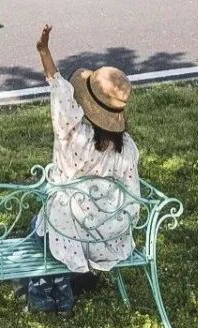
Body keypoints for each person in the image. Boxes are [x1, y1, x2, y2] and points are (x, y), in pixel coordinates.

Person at [34, 23, 140, 281]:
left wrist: (44, 51)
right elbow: (131, 195)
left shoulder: (73, 135)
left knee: (39, 231)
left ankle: (53, 291)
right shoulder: (125, 147)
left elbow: (59, 92)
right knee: (65, 225)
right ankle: (84, 277)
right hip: (105, 237)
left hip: (68, 229)